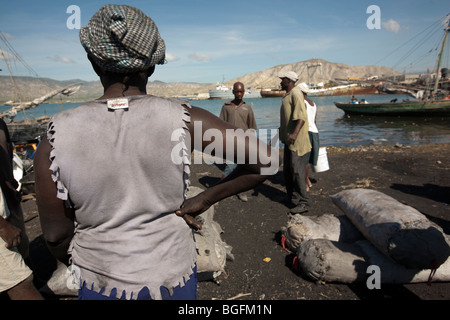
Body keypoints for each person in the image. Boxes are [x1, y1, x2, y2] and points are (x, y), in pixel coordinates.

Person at [34, 4, 275, 300]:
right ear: (151, 65)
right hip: (172, 279)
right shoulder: (186, 120)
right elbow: (265, 161)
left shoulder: (55, 136)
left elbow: (55, 235)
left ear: (94, 63)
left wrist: (80, 259)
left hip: (101, 282)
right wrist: (203, 199)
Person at [0, 119, 43, 300]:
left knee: (23, 254)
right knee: (21, 283)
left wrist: (8, 181)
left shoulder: (1, 124)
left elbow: (5, 153)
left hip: (6, 199)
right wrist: (2, 225)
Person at [219, 82, 258, 202]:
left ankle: (241, 191)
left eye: (241, 92)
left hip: (244, 143)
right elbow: (221, 125)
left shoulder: (247, 108)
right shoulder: (226, 107)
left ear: (244, 92)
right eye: (237, 92)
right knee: (230, 166)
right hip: (230, 142)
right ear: (233, 92)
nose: (239, 94)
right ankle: (219, 189)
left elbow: (251, 128)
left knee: (242, 169)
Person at [279, 72, 311, 214]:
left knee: (297, 171)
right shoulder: (287, 95)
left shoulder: (296, 93)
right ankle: (291, 195)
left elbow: (302, 117)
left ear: (288, 80)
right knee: (287, 170)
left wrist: (294, 134)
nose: (280, 82)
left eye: (282, 79)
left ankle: (304, 202)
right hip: (288, 140)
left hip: (296, 141)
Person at [298, 83, 319, 191]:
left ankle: (306, 181)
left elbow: (302, 119)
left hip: (307, 132)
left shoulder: (303, 103)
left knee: (304, 159)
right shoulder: (313, 103)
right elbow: (314, 120)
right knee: (308, 158)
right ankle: (307, 180)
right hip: (315, 131)